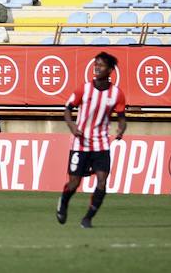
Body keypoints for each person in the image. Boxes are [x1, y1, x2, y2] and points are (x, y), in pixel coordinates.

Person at [56, 52, 127, 229]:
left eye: (101, 65)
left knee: (102, 181)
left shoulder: (116, 94)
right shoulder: (84, 89)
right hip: (80, 143)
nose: (97, 67)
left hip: (101, 143)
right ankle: (63, 202)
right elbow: (67, 109)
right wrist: (72, 126)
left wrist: (121, 129)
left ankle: (87, 218)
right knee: (74, 183)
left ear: (110, 70)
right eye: (96, 64)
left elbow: (122, 117)